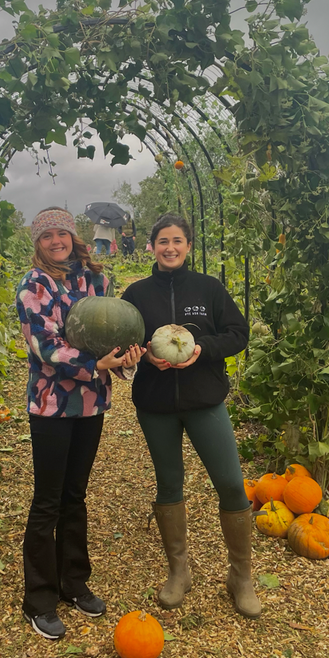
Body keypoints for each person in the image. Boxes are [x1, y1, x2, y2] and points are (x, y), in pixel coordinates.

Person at [122, 214, 260, 618]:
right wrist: (144, 355)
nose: (170, 247)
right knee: (169, 485)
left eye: (177, 241)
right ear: (151, 246)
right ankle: (179, 571)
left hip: (205, 402)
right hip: (156, 405)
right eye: (162, 241)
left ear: (188, 245)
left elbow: (238, 333)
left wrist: (202, 349)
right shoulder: (136, 294)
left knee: (232, 485)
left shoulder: (209, 288)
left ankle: (242, 576)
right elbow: (123, 345)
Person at [16, 207, 143, 640]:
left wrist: (125, 359)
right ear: (38, 242)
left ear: (73, 236)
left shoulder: (96, 280)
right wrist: (95, 364)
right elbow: (44, 348)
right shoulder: (34, 285)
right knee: (47, 500)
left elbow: (113, 332)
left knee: (75, 495)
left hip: (90, 406)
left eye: (62, 233)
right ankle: (39, 599)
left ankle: (73, 582)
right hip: (51, 406)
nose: (56, 240)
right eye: (47, 235)